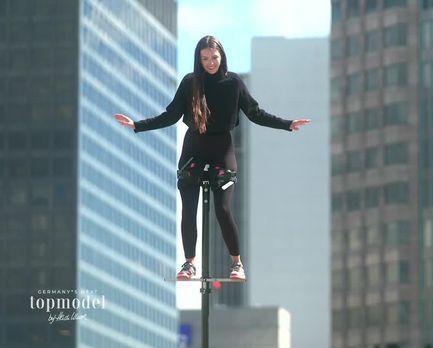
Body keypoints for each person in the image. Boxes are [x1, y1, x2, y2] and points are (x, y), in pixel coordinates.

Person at [115, 35, 310, 281]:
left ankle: (236, 263)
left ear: (222, 56)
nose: (210, 63)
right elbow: (170, 115)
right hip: (193, 151)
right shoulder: (190, 83)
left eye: (214, 58)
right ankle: (189, 264)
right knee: (188, 209)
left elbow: (255, 113)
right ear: (198, 59)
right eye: (205, 58)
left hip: (222, 151)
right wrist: (137, 125)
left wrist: (288, 124)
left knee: (223, 208)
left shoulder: (234, 83)